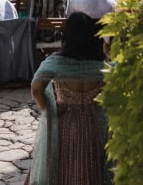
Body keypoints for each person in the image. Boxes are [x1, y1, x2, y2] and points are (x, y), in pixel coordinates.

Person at [28, 12, 110, 185]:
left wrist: (49, 110)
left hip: (64, 123)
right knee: (92, 167)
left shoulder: (56, 63)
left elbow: (36, 89)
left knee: (64, 166)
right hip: (94, 123)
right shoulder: (103, 64)